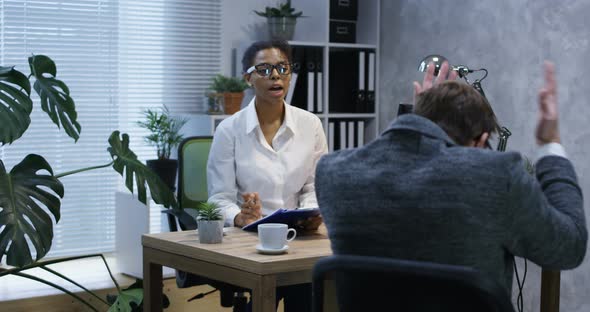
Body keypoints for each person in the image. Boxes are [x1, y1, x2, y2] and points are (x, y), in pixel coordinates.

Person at [315, 60, 587, 298]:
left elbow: (403, 174)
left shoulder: (333, 174)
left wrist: (416, 119)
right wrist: (550, 145)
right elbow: (569, 246)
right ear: (480, 142)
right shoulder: (495, 176)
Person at [207, 39, 328, 311]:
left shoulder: (310, 125)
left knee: (314, 293)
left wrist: (310, 213)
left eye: (282, 68)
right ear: (248, 78)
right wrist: (239, 216)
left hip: (298, 238)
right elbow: (218, 198)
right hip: (249, 240)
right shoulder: (229, 130)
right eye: (264, 69)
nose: (275, 75)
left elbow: (313, 187)